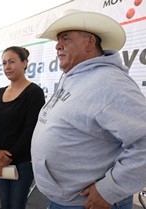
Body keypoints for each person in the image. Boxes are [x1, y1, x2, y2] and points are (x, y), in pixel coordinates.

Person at [31, 9, 146, 209]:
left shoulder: (110, 82)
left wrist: (109, 189)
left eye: (65, 38)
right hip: (66, 200)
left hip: (90, 203)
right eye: (58, 40)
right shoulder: (75, 77)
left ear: (89, 42)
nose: (57, 45)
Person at [0, 46, 45, 209]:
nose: (7, 67)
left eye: (12, 62)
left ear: (24, 63)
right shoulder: (0, 93)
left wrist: (9, 156)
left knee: (16, 205)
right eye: (4, 63)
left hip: (22, 162)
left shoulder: (34, 93)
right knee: (4, 204)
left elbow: (31, 130)